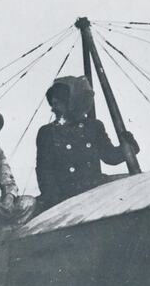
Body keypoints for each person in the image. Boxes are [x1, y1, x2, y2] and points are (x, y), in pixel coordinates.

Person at [35, 75, 139, 210]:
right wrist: (57, 203)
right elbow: (45, 173)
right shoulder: (47, 133)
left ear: (73, 102)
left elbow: (110, 157)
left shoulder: (94, 127)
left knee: (136, 185)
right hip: (67, 196)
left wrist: (129, 146)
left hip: (96, 190)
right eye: (54, 103)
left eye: (59, 102)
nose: (54, 107)